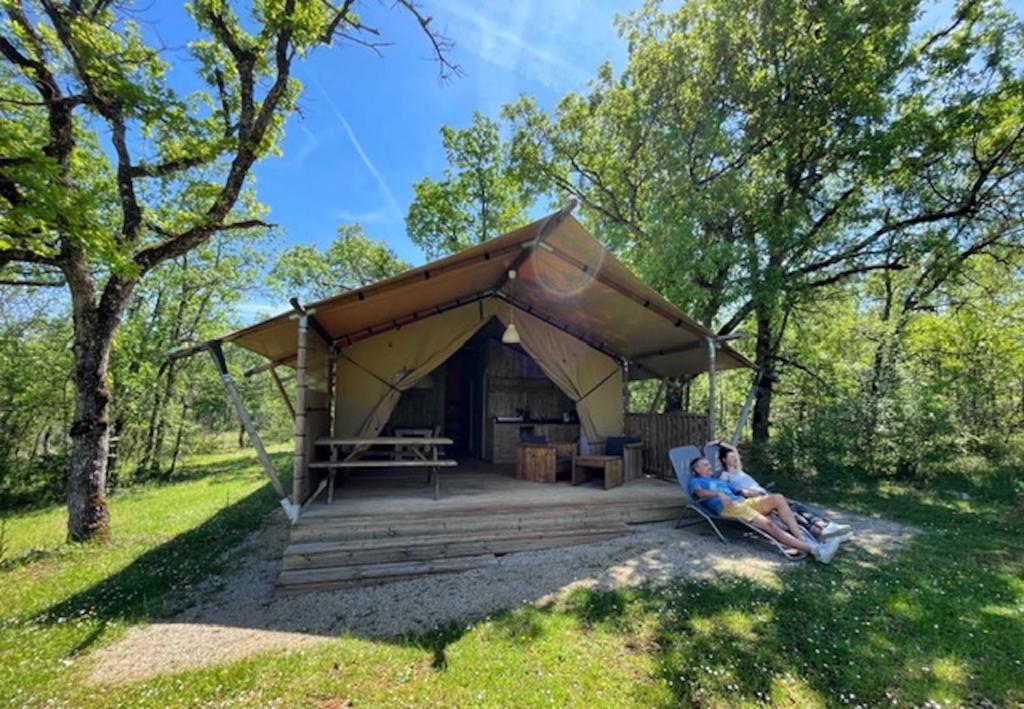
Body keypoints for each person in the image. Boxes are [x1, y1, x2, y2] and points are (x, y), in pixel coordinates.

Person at [687, 457, 840, 563]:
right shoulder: (695, 481)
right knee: (769, 524)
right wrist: (718, 493)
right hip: (729, 508)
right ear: (696, 468)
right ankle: (817, 551)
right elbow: (700, 494)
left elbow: (740, 491)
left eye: (709, 464)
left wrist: (755, 492)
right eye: (705, 465)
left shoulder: (717, 480)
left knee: (778, 498)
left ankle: (799, 537)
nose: (709, 467)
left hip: (743, 502)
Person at [716, 444, 852, 540]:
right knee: (792, 515)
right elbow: (729, 491)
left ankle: (826, 525)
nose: (735, 458)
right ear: (724, 460)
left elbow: (735, 450)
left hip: (765, 493)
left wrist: (721, 444)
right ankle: (820, 532)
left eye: (735, 457)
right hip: (757, 497)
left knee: (797, 506)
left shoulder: (739, 470)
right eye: (731, 457)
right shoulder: (725, 475)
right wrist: (745, 492)